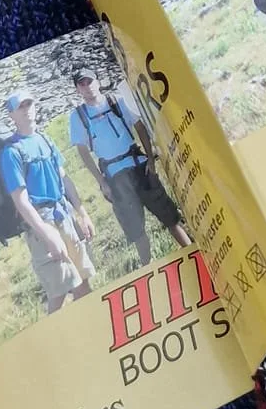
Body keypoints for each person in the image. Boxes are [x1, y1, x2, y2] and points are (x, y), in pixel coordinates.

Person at [69, 66, 192, 264]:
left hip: (139, 167)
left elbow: (139, 126)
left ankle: (192, 253)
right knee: (137, 234)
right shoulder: (78, 117)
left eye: (90, 81)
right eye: (81, 84)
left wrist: (151, 161)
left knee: (170, 218)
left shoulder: (116, 100)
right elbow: (83, 152)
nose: (87, 87)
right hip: (115, 177)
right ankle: (148, 269)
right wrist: (102, 182)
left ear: (98, 82)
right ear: (78, 90)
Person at [0, 90, 95, 313]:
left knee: (83, 281)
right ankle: (54, 339)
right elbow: (20, 200)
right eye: (20, 107)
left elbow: (65, 179)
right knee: (60, 289)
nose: (27, 110)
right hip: (42, 222)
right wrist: (46, 233)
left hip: (64, 214)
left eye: (29, 104)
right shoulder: (11, 152)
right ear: (11, 115)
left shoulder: (45, 140)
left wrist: (82, 213)